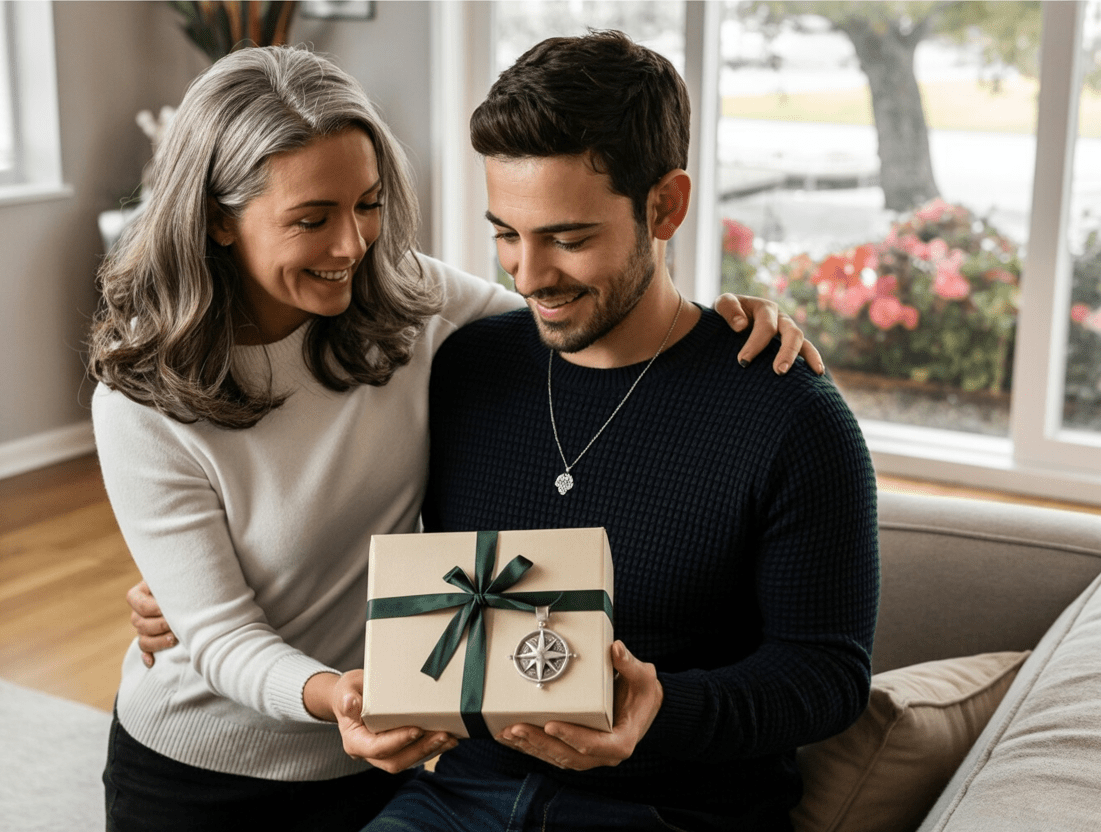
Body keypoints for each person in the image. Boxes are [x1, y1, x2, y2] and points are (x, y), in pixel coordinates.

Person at [92, 43, 819, 832]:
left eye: (367, 205)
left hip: (379, 762)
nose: (352, 246)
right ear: (216, 221)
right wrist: (305, 674)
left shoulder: (406, 304)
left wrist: (721, 326)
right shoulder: (141, 400)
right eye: (311, 220)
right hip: (203, 764)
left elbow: (587, 319)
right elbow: (223, 636)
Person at [354, 31, 881, 832]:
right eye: (506, 233)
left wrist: (662, 707)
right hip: (461, 795)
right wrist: (196, 591)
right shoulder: (467, 369)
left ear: (664, 205)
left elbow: (828, 674)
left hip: (672, 809)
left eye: (568, 239)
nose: (528, 277)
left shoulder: (789, 414)